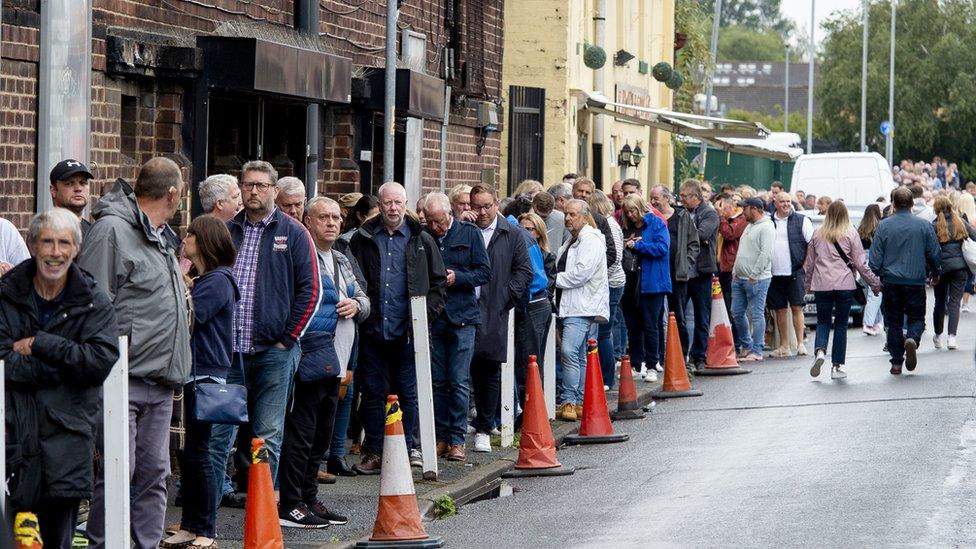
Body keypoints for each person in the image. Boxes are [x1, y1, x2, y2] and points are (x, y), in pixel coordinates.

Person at [80, 157, 191, 549]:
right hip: (120, 379)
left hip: (161, 381)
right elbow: (91, 306)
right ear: (173, 194)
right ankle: (105, 544)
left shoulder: (161, 235)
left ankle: (146, 544)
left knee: (155, 474)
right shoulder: (111, 230)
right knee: (116, 472)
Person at [1, 209, 119, 549]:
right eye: (47, 242)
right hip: (10, 437)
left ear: (76, 249)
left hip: (65, 443)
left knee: (57, 541)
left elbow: (99, 361)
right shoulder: (7, 294)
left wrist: (42, 344)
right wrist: (65, 366)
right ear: (33, 245)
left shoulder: (93, 301)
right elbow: (1, 360)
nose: (55, 252)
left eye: (64, 243)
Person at [210, 160, 320, 496]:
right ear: (240, 190)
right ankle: (205, 522)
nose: (254, 191)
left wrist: (287, 340)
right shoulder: (227, 231)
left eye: (261, 185)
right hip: (227, 355)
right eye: (248, 185)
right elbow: (205, 282)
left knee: (267, 437)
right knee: (216, 436)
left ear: (274, 190)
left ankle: (261, 524)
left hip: (273, 354)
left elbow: (311, 291)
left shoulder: (294, 233)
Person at [277, 197, 368, 528]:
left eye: (336, 218)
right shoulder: (301, 256)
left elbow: (364, 298)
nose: (332, 223)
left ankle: (309, 496)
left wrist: (357, 306)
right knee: (301, 433)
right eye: (324, 217)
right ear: (308, 221)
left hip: (338, 359)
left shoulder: (342, 259)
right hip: (309, 356)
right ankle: (291, 502)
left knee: (322, 436)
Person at [349, 181, 446, 473]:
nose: (393, 208)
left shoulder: (421, 239)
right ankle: (375, 451)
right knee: (373, 391)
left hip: (408, 332)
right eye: (387, 203)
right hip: (373, 329)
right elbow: (353, 278)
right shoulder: (363, 238)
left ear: (406, 204)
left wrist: (423, 317)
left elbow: (438, 283)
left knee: (408, 391)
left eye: (398, 203)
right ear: (379, 204)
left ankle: (410, 448)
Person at [162, 215, 239, 548]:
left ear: (205, 241)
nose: (185, 238)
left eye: (191, 234)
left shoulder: (219, 280)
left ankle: (206, 530)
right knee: (189, 454)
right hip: (193, 372)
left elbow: (189, 316)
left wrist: (178, 279)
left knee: (199, 454)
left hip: (204, 372)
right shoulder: (206, 280)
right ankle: (192, 526)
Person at [423, 192, 490, 461]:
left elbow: (484, 272)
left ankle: (457, 439)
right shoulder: (425, 236)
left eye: (439, 221)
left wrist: (458, 277)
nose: (436, 227)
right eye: (431, 222)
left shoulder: (469, 234)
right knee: (438, 381)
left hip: (462, 316)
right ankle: (440, 436)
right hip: (436, 317)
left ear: (449, 214)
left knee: (459, 381)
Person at [469, 184, 532, 451]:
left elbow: (524, 271)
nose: (482, 212)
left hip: (495, 306)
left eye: (487, 206)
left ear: (496, 204)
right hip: (465, 307)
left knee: (489, 367)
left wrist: (506, 297)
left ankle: (485, 425)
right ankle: (465, 423)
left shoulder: (512, 233)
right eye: (477, 207)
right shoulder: (465, 230)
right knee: (464, 369)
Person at [804, 202, 881, 380]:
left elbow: (810, 264)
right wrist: (875, 284)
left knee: (823, 322)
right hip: (845, 284)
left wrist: (808, 286)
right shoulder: (851, 233)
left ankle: (821, 351)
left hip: (822, 284)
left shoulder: (817, 234)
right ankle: (837, 365)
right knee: (840, 325)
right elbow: (861, 264)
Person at [869, 186, 942, 375]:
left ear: (893, 204)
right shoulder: (923, 225)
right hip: (915, 280)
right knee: (917, 318)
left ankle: (896, 361)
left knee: (893, 321)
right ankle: (912, 338)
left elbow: (875, 259)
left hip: (891, 281)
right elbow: (934, 252)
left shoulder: (884, 225)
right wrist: (935, 271)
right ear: (912, 204)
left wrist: (877, 275)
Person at [555, 199, 608, 421]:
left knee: (568, 351)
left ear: (585, 217)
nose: (568, 218)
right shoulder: (572, 239)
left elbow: (580, 274)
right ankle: (578, 400)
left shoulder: (590, 240)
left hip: (581, 305)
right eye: (566, 213)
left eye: (573, 214)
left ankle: (569, 399)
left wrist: (552, 279)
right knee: (577, 354)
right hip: (573, 303)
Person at [625, 196, 671, 384]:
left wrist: (638, 245)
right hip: (632, 281)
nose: (630, 214)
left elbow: (662, 248)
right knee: (633, 326)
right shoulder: (626, 225)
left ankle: (652, 364)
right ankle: (636, 365)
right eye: (628, 211)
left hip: (653, 282)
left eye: (633, 210)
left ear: (641, 208)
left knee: (651, 325)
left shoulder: (657, 223)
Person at [650, 185, 699, 361]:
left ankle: (681, 353)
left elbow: (694, 243)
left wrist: (687, 263)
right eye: (651, 198)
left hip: (677, 273)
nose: (653, 201)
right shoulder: (651, 217)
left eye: (656, 198)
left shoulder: (682, 216)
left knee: (677, 314)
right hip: (657, 273)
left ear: (667, 198)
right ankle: (660, 356)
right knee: (655, 316)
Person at [678, 179, 719, 369]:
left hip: (702, 272)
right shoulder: (682, 212)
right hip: (684, 272)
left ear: (695, 196)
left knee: (702, 316)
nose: (681, 199)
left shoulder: (709, 212)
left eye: (684, 196)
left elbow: (702, 235)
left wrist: (685, 235)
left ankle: (699, 356)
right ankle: (681, 354)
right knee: (679, 316)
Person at [767, 191, 814, 358]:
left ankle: (800, 344)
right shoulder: (768, 221)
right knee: (779, 310)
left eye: (788, 201)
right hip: (774, 273)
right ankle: (784, 345)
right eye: (782, 202)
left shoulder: (802, 221)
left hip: (795, 271)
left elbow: (812, 244)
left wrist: (806, 266)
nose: (786, 204)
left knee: (796, 307)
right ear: (775, 203)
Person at [588, 190, 625, 388]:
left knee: (603, 332)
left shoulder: (608, 224)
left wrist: (596, 275)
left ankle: (607, 379)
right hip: (611, 282)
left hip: (611, 283)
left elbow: (615, 256)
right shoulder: (611, 223)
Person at [731, 197, 775, 362]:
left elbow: (766, 253)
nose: (743, 212)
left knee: (756, 314)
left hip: (757, 279)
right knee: (736, 312)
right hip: (740, 278)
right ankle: (748, 346)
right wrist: (736, 269)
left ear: (754, 209)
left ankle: (757, 350)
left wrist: (754, 275)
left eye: (745, 208)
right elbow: (742, 250)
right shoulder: (750, 226)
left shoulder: (766, 228)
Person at [930, 197, 976, 350]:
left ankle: (938, 335)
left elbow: (929, 250)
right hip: (960, 268)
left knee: (939, 302)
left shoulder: (934, 225)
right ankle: (952, 338)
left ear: (936, 209)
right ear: (951, 207)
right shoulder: (960, 222)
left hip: (941, 269)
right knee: (955, 302)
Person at [716, 193, 748, 347]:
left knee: (733, 308)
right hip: (720, 267)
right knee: (724, 307)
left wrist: (721, 217)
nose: (719, 211)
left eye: (721, 207)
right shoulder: (725, 220)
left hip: (731, 268)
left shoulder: (741, 220)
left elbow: (729, 234)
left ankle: (739, 341)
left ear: (729, 206)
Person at [49, 158, 94, 238]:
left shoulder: (93, 232)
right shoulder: (44, 231)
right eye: (69, 183)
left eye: (83, 183)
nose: (78, 189)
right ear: (53, 190)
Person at [858, 204, 885, 336]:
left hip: (863, 261)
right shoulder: (880, 227)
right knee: (875, 293)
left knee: (872, 292)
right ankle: (868, 323)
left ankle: (877, 322)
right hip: (875, 259)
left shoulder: (861, 228)